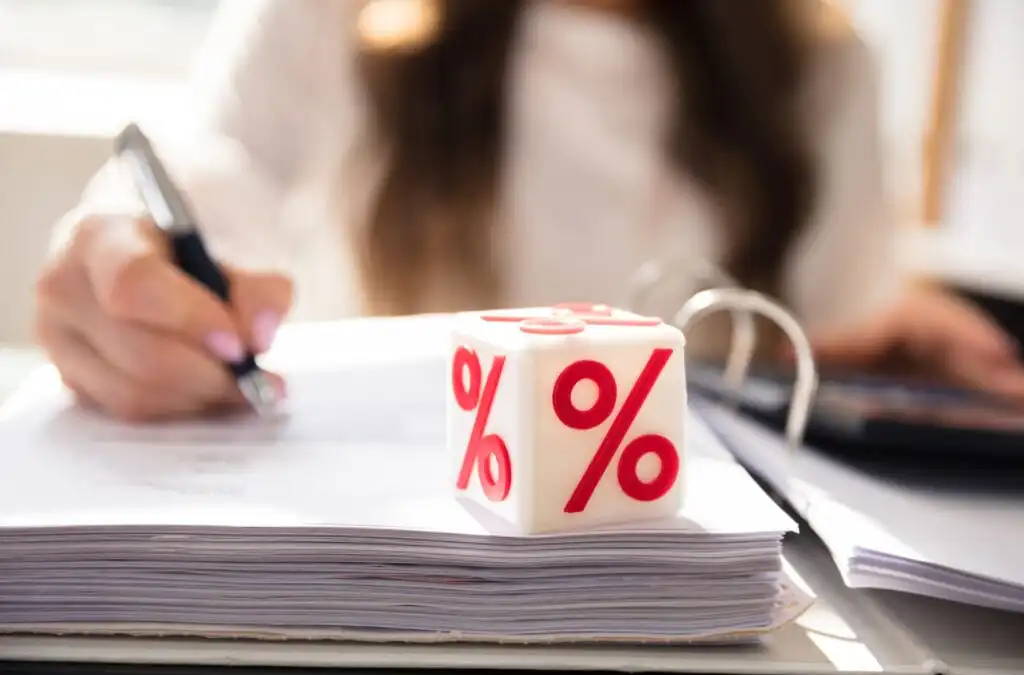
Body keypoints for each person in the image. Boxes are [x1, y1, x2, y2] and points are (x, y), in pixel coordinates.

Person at [33, 0, 1024, 422]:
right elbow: (209, 174)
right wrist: (123, 257)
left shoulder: (822, 72)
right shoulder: (333, 19)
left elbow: (821, 346)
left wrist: (891, 367)